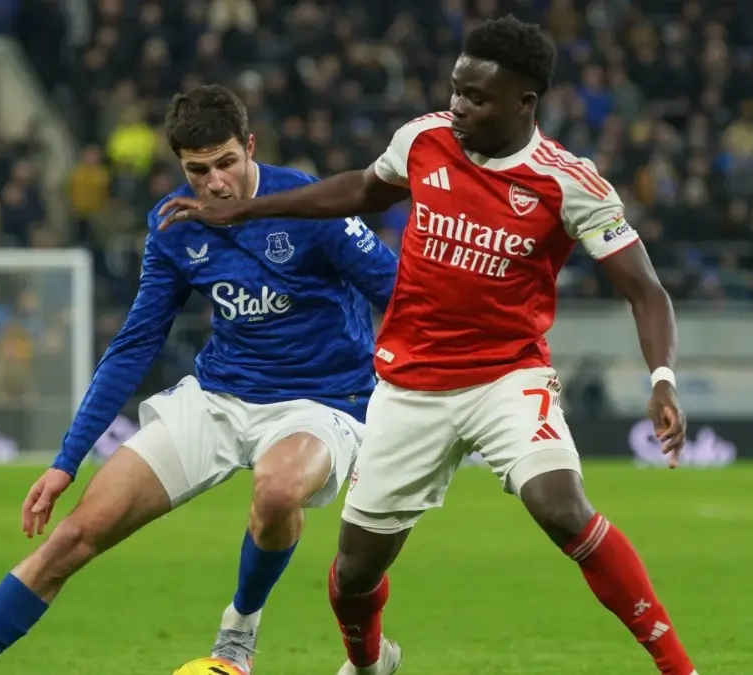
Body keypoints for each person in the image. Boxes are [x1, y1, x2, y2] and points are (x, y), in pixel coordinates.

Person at [159, 17, 697, 675]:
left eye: (477, 97)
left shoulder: (569, 182)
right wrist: (245, 209)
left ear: (525, 101)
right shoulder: (424, 139)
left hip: (507, 377)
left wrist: (662, 377)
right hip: (409, 385)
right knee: (354, 571)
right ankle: (368, 664)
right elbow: (361, 189)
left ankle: (679, 668)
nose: (459, 106)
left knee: (561, 507)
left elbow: (645, 290)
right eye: (456, 89)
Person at [0, 85, 398, 675]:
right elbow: (135, 343)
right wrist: (65, 461)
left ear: (250, 146)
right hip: (216, 398)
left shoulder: (312, 206)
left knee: (279, 492)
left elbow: (400, 293)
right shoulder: (175, 225)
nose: (215, 183)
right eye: (197, 170)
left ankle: (239, 631)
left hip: (322, 401)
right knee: (73, 538)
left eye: (227, 163)